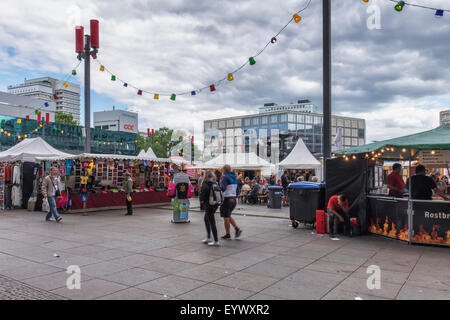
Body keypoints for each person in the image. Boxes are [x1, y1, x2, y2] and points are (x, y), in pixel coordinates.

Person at [219, 164, 242, 239]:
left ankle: (228, 234)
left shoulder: (225, 177)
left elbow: (222, 188)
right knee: (228, 215)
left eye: (222, 170)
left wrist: (218, 187)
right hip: (233, 200)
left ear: (224, 170)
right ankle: (237, 229)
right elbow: (238, 189)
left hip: (227, 199)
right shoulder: (234, 177)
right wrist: (234, 196)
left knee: (226, 217)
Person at [199, 170, 220, 246]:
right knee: (206, 219)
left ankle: (216, 240)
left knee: (212, 222)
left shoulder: (205, 183)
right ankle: (208, 237)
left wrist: (201, 202)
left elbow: (203, 195)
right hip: (215, 204)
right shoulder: (215, 182)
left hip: (209, 204)